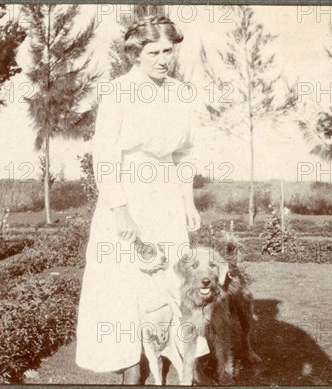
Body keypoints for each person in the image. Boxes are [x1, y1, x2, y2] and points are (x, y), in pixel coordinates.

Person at [75, 15, 204, 384]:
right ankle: (129, 365)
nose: (163, 59)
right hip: (127, 195)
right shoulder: (118, 92)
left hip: (165, 198)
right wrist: (121, 211)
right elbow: (105, 155)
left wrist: (188, 202)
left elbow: (184, 154)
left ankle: (176, 363)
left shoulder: (181, 93)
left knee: (169, 282)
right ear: (136, 53)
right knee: (121, 283)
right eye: (154, 52)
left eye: (168, 50)